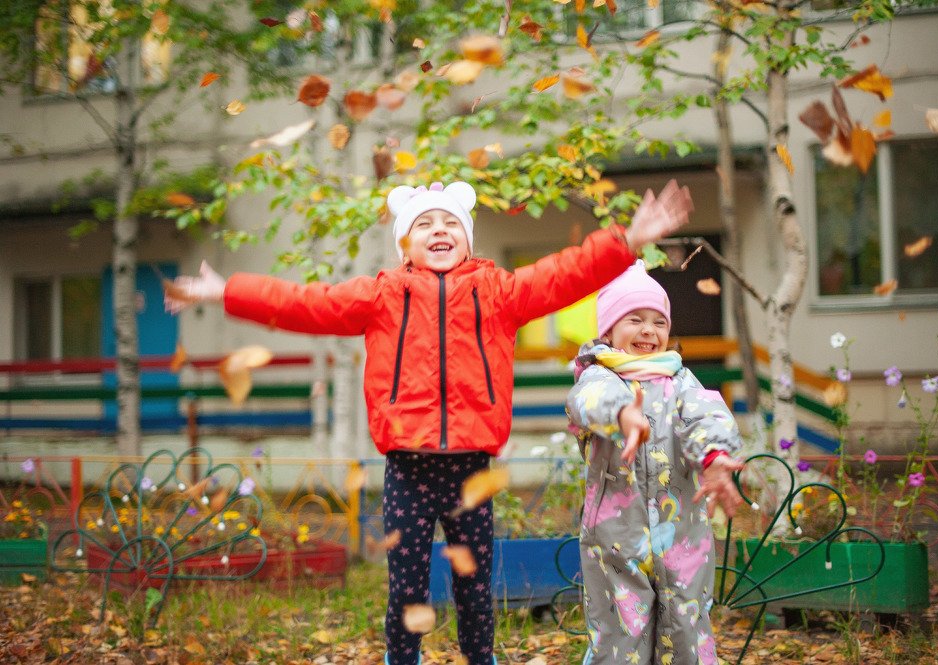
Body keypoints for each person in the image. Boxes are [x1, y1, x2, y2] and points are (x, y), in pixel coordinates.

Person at [165, 179, 694, 665]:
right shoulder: (382, 295)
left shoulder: (500, 292)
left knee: (475, 589)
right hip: (407, 469)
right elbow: (305, 303)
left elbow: (565, 273)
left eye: (449, 224)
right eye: (424, 224)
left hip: (471, 470)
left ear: (467, 239)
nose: (439, 231)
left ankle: (480, 659)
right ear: (405, 245)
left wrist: (627, 240)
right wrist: (226, 291)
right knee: (406, 588)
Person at [566, 261, 744, 665]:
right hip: (616, 535)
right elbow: (586, 402)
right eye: (635, 319)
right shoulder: (599, 377)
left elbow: (707, 415)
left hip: (682, 531)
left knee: (686, 626)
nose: (649, 330)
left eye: (658, 322)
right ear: (608, 331)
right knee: (620, 636)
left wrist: (715, 456)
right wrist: (623, 414)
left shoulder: (680, 380)